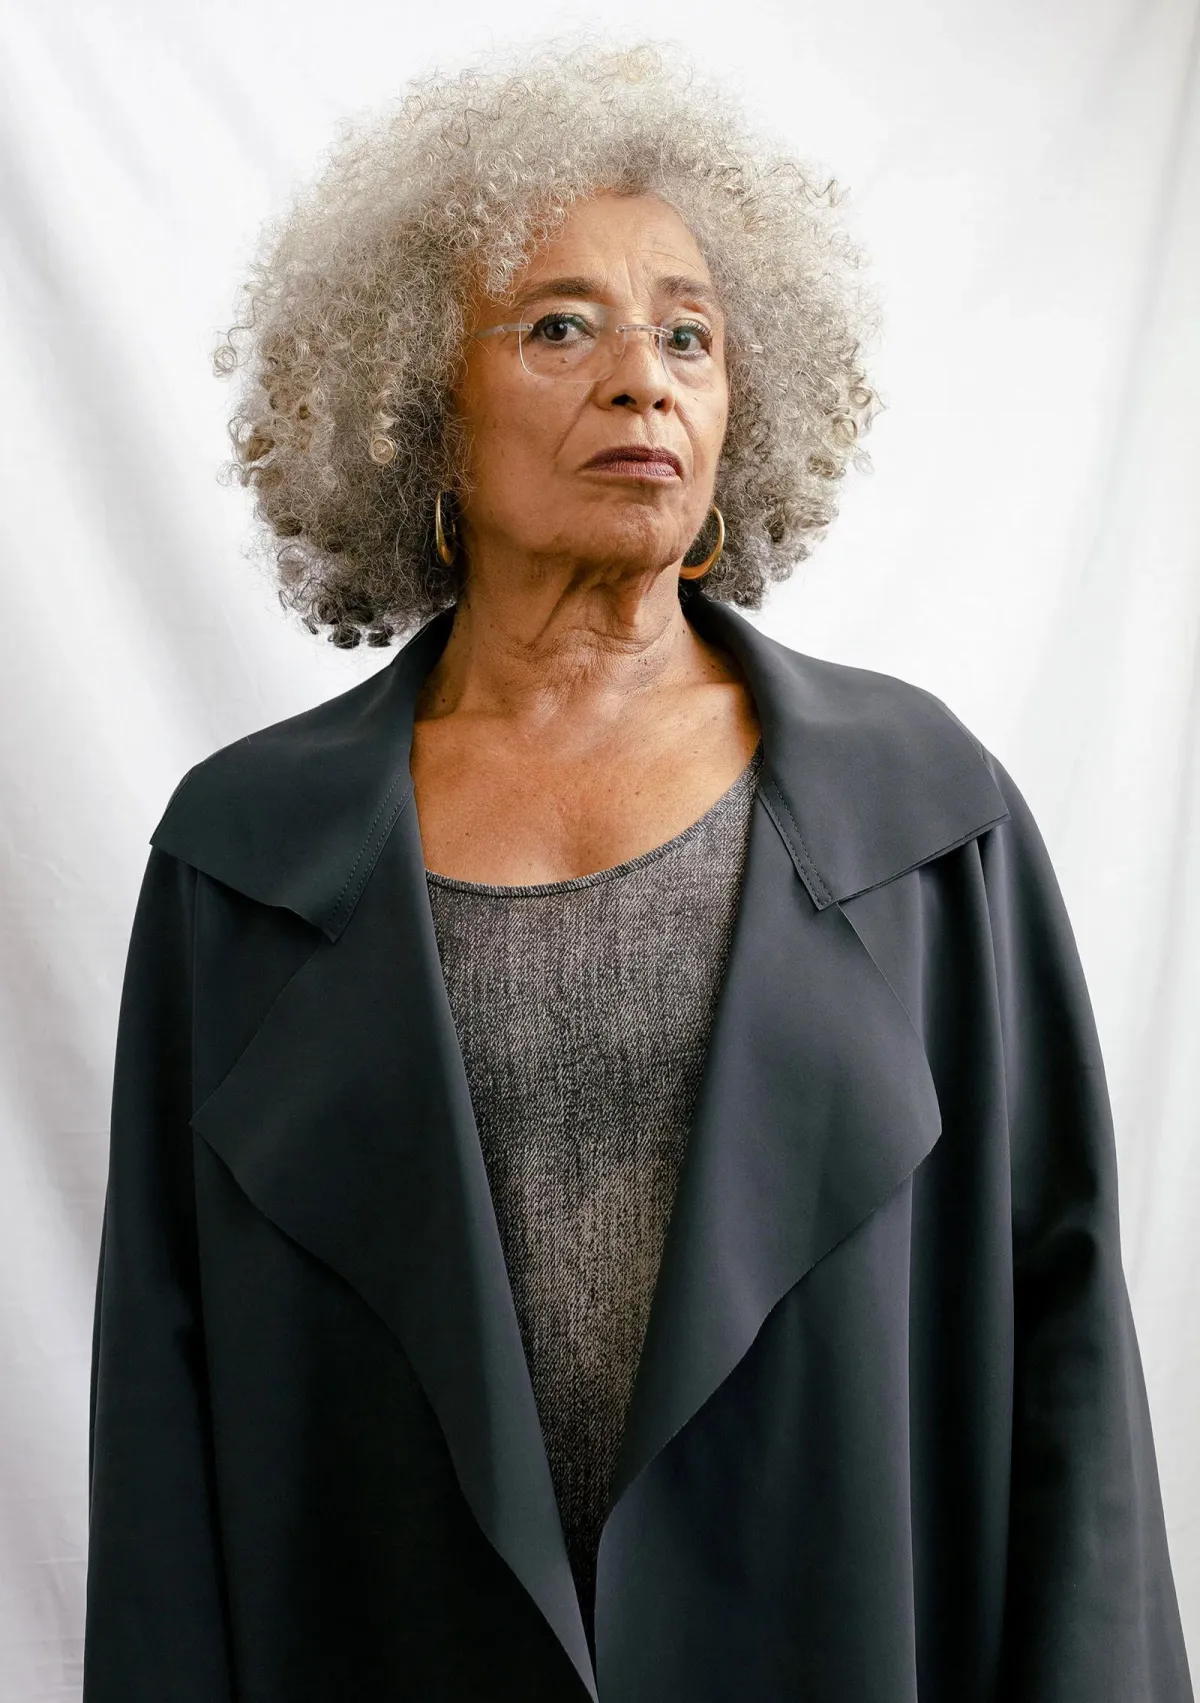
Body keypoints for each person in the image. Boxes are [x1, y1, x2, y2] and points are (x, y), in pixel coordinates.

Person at [82, 37, 1194, 1703]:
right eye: (560, 326)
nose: (641, 379)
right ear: (418, 404)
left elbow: (1071, 1353)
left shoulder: (923, 821)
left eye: (689, 333)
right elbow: (162, 1432)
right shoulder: (244, 860)